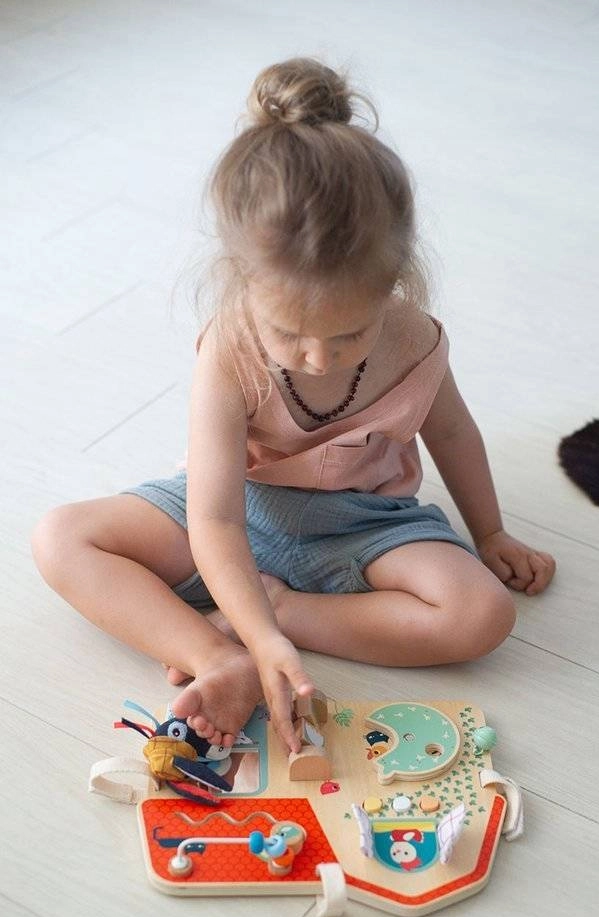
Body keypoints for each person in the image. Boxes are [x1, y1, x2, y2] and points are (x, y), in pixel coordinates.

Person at [32, 57, 555, 755]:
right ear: (241, 282)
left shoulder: (415, 340)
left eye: (348, 335)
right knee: (61, 537)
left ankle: (283, 608)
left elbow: (454, 432)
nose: (316, 358)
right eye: (289, 334)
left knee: (481, 615)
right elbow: (214, 518)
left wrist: (490, 534)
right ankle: (219, 655)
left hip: (362, 523)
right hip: (238, 510)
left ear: (393, 287)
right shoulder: (229, 348)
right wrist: (255, 645)